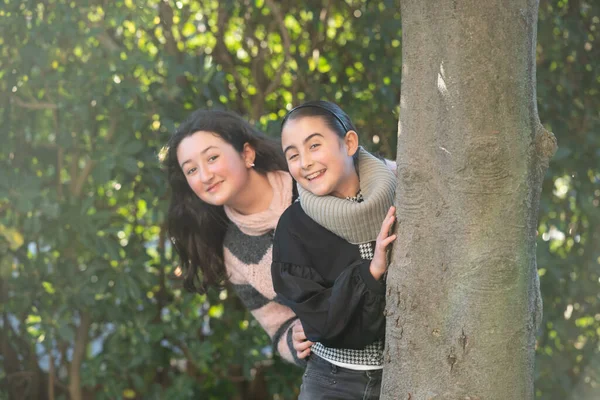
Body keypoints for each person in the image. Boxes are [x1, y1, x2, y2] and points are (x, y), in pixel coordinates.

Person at [163, 109, 311, 365]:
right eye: (191, 170)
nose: (205, 176)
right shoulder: (234, 253)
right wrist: (294, 340)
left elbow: (387, 177)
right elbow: (278, 325)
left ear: (247, 154)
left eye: (212, 158)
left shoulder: (308, 176)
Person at [271, 100, 397, 399]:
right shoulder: (294, 226)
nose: (305, 162)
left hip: (407, 376)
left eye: (314, 146)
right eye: (293, 155)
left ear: (349, 142)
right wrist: (372, 271)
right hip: (333, 383)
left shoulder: (403, 195)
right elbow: (323, 322)